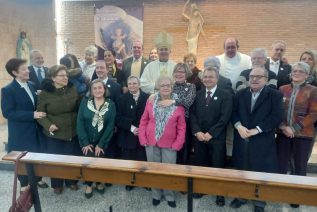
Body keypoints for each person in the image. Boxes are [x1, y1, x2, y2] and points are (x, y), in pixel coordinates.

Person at [230, 67, 284, 212]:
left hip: (262, 140)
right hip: (242, 137)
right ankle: (241, 196)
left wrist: (257, 129)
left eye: (258, 76)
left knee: (260, 171)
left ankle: (259, 201)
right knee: (242, 169)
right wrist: (238, 126)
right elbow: (233, 112)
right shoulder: (240, 94)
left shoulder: (275, 95)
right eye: (252, 76)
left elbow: (276, 116)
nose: (254, 79)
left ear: (266, 79)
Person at [139, 76, 186, 208]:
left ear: (172, 87)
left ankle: (169, 195)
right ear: (158, 88)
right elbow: (144, 121)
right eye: (163, 85)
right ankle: (156, 195)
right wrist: (142, 138)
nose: (166, 87)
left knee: (169, 171)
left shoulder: (178, 106)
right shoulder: (150, 102)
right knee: (154, 170)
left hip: (170, 145)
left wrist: (178, 144)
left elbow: (182, 127)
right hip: (151, 143)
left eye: (168, 85)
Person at [1, 58, 48, 192]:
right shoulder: (8, 90)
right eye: (24, 69)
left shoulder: (32, 85)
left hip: (35, 131)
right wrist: (31, 115)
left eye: (27, 68)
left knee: (36, 154)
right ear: (15, 72)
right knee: (21, 159)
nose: (28, 71)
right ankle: (24, 184)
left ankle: (38, 179)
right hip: (20, 132)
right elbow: (8, 113)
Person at [276, 62, 317, 208]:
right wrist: (282, 126)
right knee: (280, 164)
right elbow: (277, 110)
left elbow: (314, 114)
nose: (296, 73)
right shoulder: (283, 89)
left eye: (300, 71)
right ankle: (278, 192)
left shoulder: (313, 90)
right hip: (283, 132)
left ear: (307, 75)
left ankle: (297, 195)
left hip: (303, 134)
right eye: (294, 71)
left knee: (299, 166)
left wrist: (294, 128)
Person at [190, 67, 232, 206]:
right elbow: (193, 115)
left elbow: (224, 118)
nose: (207, 79)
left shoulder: (225, 95)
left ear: (217, 79)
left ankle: (219, 193)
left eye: (211, 77)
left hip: (217, 138)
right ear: (202, 78)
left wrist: (211, 133)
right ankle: (202, 189)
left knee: (217, 166)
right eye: (205, 76)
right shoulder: (198, 94)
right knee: (201, 164)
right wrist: (197, 132)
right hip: (200, 137)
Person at [37, 65, 80, 194]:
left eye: (66, 75)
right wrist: (48, 125)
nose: (65, 78)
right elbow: (40, 114)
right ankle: (57, 184)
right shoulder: (45, 93)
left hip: (72, 129)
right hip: (53, 132)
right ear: (53, 78)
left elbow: (78, 107)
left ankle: (71, 181)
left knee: (71, 157)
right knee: (55, 159)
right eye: (62, 76)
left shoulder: (72, 89)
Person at [77, 79, 116, 198]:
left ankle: (98, 182)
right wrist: (85, 142)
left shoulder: (111, 104)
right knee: (88, 162)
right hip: (86, 140)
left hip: (102, 140)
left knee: (99, 161)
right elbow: (80, 122)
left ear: (104, 89)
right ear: (91, 90)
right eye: (95, 88)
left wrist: (101, 144)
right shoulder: (85, 102)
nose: (98, 90)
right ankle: (89, 184)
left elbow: (110, 126)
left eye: (100, 88)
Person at [151, 63, 196, 164]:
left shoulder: (191, 87)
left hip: (184, 123)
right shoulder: (171, 85)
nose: (179, 74)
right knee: (169, 151)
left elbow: (188, 102)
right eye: (176, 71)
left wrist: (173, 101)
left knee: (183, 152)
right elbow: (161, 93)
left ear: (186, 73)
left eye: (181, 72)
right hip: (168, 124)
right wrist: (153, 95)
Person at [116, 76, 148, 190]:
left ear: (139, 84)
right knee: (128, 160)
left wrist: (142, 129)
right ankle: (130, 181)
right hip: (128, 134)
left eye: (134, 83)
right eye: (129, 84)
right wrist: (132, 128)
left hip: (143, 134)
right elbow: (118, 118)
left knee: (142, 158)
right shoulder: (122, 98)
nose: (132, 86)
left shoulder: (147, 98)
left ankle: (144, 181)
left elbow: (151, 116)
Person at [95, 60, 121, 159]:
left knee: (109, 157)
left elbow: (118, 108)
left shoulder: (116, 87)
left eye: (102, 67)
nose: (99, 70)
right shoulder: (91, 85)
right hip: (94, 128)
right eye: (97, 68)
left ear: (107, 69)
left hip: (109, 129)